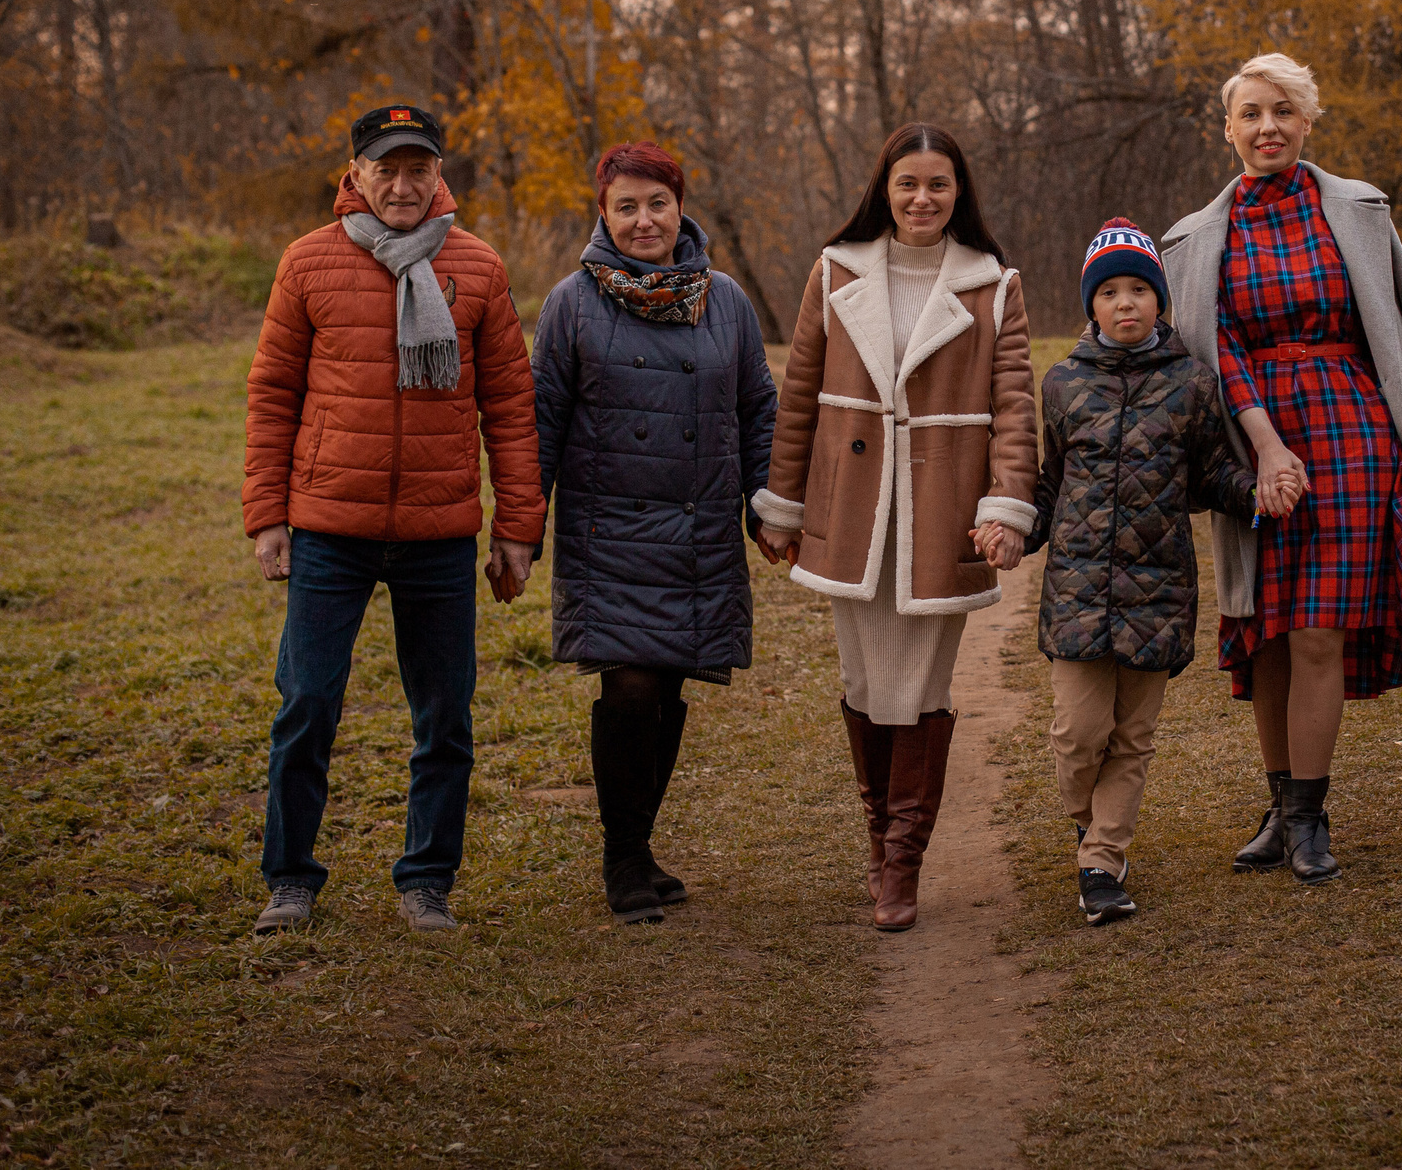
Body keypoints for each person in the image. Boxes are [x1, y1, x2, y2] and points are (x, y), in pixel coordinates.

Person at [1161, 53, 1402, 885]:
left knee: (1318, 630)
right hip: (1249, 442)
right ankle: (1278, 802)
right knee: (1261, 631)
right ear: (1228, 129)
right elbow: (1213, 350)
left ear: (1307, 122)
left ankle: (1307, 818)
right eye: (1251, 114)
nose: (1268, 127)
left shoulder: (1360, 210)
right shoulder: (1194, 239)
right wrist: (1264, 448)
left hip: (1351, 432)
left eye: (1283, 112)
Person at [241, 103, 544, 936]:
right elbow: (272, 395)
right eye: (388, 168)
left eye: (420, 168)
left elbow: (512, 409)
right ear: (357, 173)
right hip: (330, 528)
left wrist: (518, 528)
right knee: (306, 702)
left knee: (445, 714)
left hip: (440, 531)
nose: (404, 185)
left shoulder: (477, 267)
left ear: (439, 173)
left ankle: (426, 880)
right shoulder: (308, 262)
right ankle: (290, 879)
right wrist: (268, 514)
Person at [751, 123, 1039, 933]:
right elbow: (799, 391)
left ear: (959, 193)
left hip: (941, 514)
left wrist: (1005, 503)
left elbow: (1015, 405)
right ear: (884, 188)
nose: (922, 198)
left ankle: (903, 858)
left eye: (938, 185)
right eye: (907, 183)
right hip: (850, 509)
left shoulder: (993, 285)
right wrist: (782, 504)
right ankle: (879, 841)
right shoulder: (835, 270)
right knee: (864, 682)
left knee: (919, 687)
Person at [530, 142, 777, 926]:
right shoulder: (571, 302)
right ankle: (622, 855)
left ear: (681, 207)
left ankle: (638, 843)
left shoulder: (727, 299)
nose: (645, 220)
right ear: (602, 213)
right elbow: (540, 419)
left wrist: (765, 504)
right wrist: (521, 524)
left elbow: (758, 407)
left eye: (658, 204)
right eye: (627, 206)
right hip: (612, 529)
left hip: (698, 524)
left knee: (668, 683)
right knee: (631, 683)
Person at [1027, 220, 1256, 925]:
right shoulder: (1062, 384)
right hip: (1078, 592)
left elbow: (1213, 474)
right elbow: (1050, 480)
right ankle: (1088, 821)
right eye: (1111, 292)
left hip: (1158, 591)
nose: (1126, 303)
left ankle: (1102, 861)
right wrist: (1014, 528)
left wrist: (1256, 492)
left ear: (1160, 300)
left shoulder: (1191, 384)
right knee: (1077, 733)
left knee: (1132, 737)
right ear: (1091, 305)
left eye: (1139, 290)